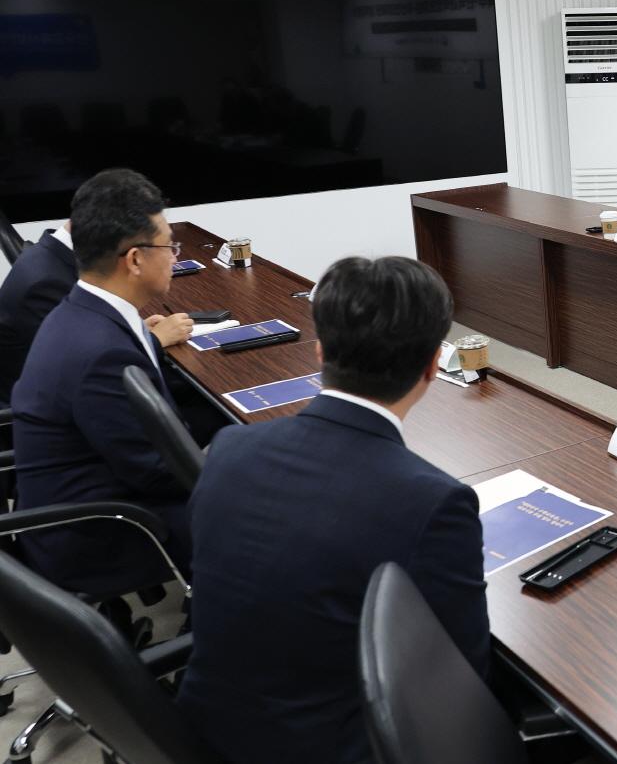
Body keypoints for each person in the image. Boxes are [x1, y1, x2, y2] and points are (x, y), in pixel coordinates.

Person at [177, 256, 489, 764]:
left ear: (319, 348)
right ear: (435, 364)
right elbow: (458, 677)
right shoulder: (433, 500)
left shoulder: (229, 447)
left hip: (204, 729)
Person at [9, 169, 195, 595]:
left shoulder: (80, 312)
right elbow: (156, 471)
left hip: (82, 504)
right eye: (169, 245)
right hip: (96, 535)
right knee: (264, 517)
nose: (174, 255)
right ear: (134, 259)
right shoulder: (101, 352)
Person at [1, 219, 194, 408]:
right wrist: (155, 339)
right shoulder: (46, 284)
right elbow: (88, 366)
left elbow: (86, 335)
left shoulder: (50, 257)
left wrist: (134, 329)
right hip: (58, 409)